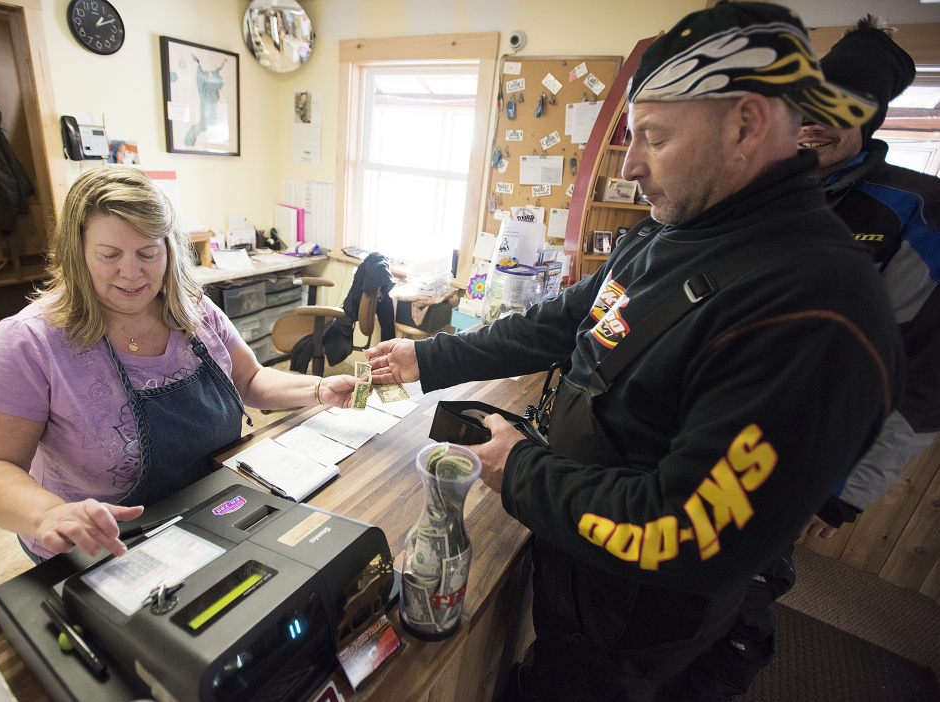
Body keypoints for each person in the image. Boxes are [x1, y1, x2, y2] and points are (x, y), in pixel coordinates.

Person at [366, 3, 905, 701]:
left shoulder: (812, 309)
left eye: (652, 137)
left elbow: (675, 527)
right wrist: (427, 360)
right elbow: (562, 322)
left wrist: (519, 467)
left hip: (637, 620)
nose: (630, 165)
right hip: (579, 569)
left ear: (743, 124)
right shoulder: (675, 229)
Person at [679, 17, 940, 701]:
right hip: (691, 433)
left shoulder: (913, 213)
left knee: (733, 614)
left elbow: (926, 381)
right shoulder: (749, 188)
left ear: (871, 118)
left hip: (792, 458)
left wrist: (844, 491)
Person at [0, 166, 361, 564]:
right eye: (109, 254)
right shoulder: (28, 342)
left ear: (169, 249)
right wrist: (45, 513)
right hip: (101, 546)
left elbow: (250, 379)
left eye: (148, 253)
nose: (131, 273)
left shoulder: (192, 310)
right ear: (77, 252)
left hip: (207, 513)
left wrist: (318, 390)